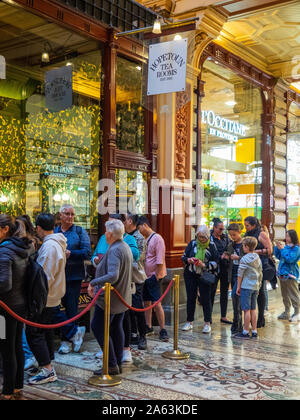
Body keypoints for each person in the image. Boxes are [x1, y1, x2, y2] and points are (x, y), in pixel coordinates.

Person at [91, 214, 140, 363]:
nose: (105, 234)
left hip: (111, 297)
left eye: (106, 231)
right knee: (116, 327)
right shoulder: (123, 246)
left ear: (110, 234)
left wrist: (94, 282)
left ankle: (111, 362)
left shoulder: (115, 249)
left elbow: (113, 275)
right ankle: (116, 361)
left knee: (98, 326)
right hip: (121, 296)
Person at [26, 213, 67, 385]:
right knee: (46, 331)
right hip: (52, 297)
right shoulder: (55, 243)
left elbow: (45, 277)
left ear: (39, 228)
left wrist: (33, 296)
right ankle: (47, 362)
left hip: (46, 298)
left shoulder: (50, 247)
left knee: (34, 333)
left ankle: (47, 369)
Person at [0, 216, 32, 400]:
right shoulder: (21, 246)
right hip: (19, 304)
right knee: (16, 345)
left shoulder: (4, 251)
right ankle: (17, 386)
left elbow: (4, 284)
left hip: (6, 308)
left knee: (6, 348)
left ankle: (7, 390)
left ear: (5, 229)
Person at [53, 204, 91, 354]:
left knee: (71, 308)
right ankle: (74, 332)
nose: (70, 217)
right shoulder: (55, 231)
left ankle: (66, 341)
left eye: (72, 214)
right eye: (67, 214)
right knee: (56, 308)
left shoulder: (80, 232)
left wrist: (71, 253)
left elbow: (87, 252)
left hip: (73, 277)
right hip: (56, 276)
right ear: (60, 216)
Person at [181, 225, 219, 334]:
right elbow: (183, 257)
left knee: (205, 299)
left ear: (207, 237)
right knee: (191, 298)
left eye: (203, 237)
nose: (201, 239)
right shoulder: (192, 244)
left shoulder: (212, 246)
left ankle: (207, 323)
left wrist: (204, 264)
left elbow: (216, 262)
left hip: (205, 275)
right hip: (191, 274)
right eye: (199, 237)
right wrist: (189, 260)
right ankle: (189, 321)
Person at [137, 216, 169, 342]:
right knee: (146, 302)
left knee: (157, 303)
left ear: (144, 225)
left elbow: (159, 260)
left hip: (154, 277)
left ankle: (162, 329)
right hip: (145, 276)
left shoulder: (157, 239)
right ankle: (148, 326)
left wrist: (155, 276)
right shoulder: (145, 239)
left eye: (139, 228)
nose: (139, 231)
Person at [244, 216, 273, 328]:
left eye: (247, 225)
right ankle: (251, 318)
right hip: (249, 266)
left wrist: (255, 251)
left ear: (254, 225)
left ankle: (260, 317)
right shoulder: (247, 235)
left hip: (260, 265)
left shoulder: (261, 234)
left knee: (260, 291)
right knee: (251, 292)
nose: (246, 227)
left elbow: (270, 250)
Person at [124, 213, 147, 351]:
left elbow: (138, 257)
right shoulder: (123, 236)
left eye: (125, 219)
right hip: (124, 277)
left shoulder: (138, 238)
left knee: (138, 307)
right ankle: (132, 333)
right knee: (127, 307)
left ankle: (143, 335)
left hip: (136, 276)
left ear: (130, 221)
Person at [235, 237, 263, 339]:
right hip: (255, 286)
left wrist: (238, 286)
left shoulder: (244, 259)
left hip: (246, 286)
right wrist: (259, 286)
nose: (243, 247)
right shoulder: (257, 257)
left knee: (246, 310)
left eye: (243, 246)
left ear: (246, 246)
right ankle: (254, 331)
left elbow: (240, 275)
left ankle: (245, 332)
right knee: (253, 309)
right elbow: (260, 273)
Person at [224, 223, 245, 335]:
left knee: (240, 300)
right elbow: (229, 260)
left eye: (234, 234)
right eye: (231, 235)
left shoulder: (245, 244)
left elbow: (250, 258)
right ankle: (236, 321)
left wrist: (238, 257)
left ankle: (239, 322)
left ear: (239, 232)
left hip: (243, 276)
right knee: (234, 299)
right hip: (233, 274)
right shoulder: (230, 245)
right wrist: (226, 256)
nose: (232, 237)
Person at [275, 230, 300, 322]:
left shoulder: (296, 248)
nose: (286, 238)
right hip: (282, 274)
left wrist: (282, 249)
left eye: (288, 236)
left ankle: (297, 313)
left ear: (293, 237)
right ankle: (287, 312)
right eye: (286, 236)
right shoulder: (286, 247)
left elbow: (290, 259)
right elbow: (279, 256)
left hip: (291, 275)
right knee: (284, 295)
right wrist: (277, 248)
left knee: (294, 295)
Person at [210, 218, 231, 324]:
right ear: (214, 228)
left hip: (225, 268)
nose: (221, 231)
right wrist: (220, 256)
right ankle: (208, 317)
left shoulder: (225, 237)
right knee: (211, 292)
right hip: (213, 268)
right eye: (220, 229)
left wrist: (227, 255)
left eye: (223, 229)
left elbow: (230, 248)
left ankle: (223, 316)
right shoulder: (209, 238)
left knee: (224, 292)